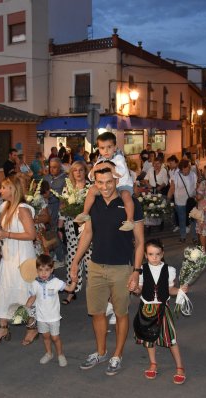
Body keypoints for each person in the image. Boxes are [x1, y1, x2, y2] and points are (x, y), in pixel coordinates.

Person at [69, 165, 144, 376]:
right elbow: (88, 234)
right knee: (97, 312)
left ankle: (117, 355)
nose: (105, 187)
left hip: (122, 267)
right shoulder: (94, 201)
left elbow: (139, 241)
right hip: (96, 266)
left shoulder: (130, 202)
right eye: (100, 183)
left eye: (109, 182)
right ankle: (101, 352)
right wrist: (75, 262)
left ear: (117, 180)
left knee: (121, 313)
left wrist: (136, 271)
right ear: (95, 182)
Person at [0, 176, 39, 346]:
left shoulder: (23, 209)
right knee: (4, 291)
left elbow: (31, 235)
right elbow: (6, 231)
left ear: (13, 190)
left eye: (3, 187)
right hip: (8, 256)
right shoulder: (4, 206)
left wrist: (6, 234)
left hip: (23, 257)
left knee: (24, 292)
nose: (0, 191)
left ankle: (32, 328)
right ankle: (3, 327)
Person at [131, 239, 187, 385]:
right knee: (149, 338)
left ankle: (180, 367)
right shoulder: (141, 270)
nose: (154, 257)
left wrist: (180, 291)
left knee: (171, 338)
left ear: (162, 254)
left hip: (162, 308)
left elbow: (170, 290)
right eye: (150, 254)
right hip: (146, 308)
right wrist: (135, 288)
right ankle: (153, 363)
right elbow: (139, 290)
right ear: (145, 255)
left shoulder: (169, 270)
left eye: (157, 254)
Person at [75, 132, 135, 232]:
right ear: (98, 149)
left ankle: (130, 220)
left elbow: (121, 173)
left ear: (115, 147)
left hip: (123, 185)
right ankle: (85, 213)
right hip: (107, 186)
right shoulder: (100, 160)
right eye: (102, 148)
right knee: (92, 189)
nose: (106, 151)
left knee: (126, 195)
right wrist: (94, 170)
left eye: (109, 147)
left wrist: (110, 166)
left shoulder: (119, 158)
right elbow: (91, 177)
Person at [25, 254, 75, 367]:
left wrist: (74, 280)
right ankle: (49, 353)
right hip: (41, 317)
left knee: (55, 338)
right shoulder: (35, 284)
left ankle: (60, 355)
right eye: (40, 270)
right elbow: (32, 297)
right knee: (46, 337)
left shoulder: (56, 282)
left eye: (47, 270)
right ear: (36, 270)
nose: (43, 273)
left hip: (53, 317)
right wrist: (25, 307)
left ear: (52, 269)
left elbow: (70, 289)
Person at [58, 161, 91, 304]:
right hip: (71, 227)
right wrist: (60, 227)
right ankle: (71, 290)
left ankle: (93, 292)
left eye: (81, 170)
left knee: (90, 260)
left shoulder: (91, 188)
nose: (78, 173)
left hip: (88, 227)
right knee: (72, 258)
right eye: (75, 170)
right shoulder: (67, 188)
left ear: (85, 171)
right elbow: (63, 209)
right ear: (72, 173)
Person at [167, 159, 198, 243]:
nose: (188, 169)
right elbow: (172, 188)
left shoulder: (193, 175)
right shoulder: (176, 176)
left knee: (193, 220)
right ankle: (183, 236)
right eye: (187, 167)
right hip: (180, 201)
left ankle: (194, 237)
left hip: (191, 201)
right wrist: (168, 199)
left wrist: (197, 196)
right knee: (182, 219)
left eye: (188, 167)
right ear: (182, 168)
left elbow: (196, 187)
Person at [43, 158, 67, 264]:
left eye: (55, 167)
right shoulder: (46, 177)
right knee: (48, 231)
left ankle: (60, 256)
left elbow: (65, 196)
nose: (52, 169)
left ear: (60, 167)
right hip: (47, 207)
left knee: (56, 231)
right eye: (50, 167)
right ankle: (53, 252)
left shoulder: (65, 179)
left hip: (58, 207)